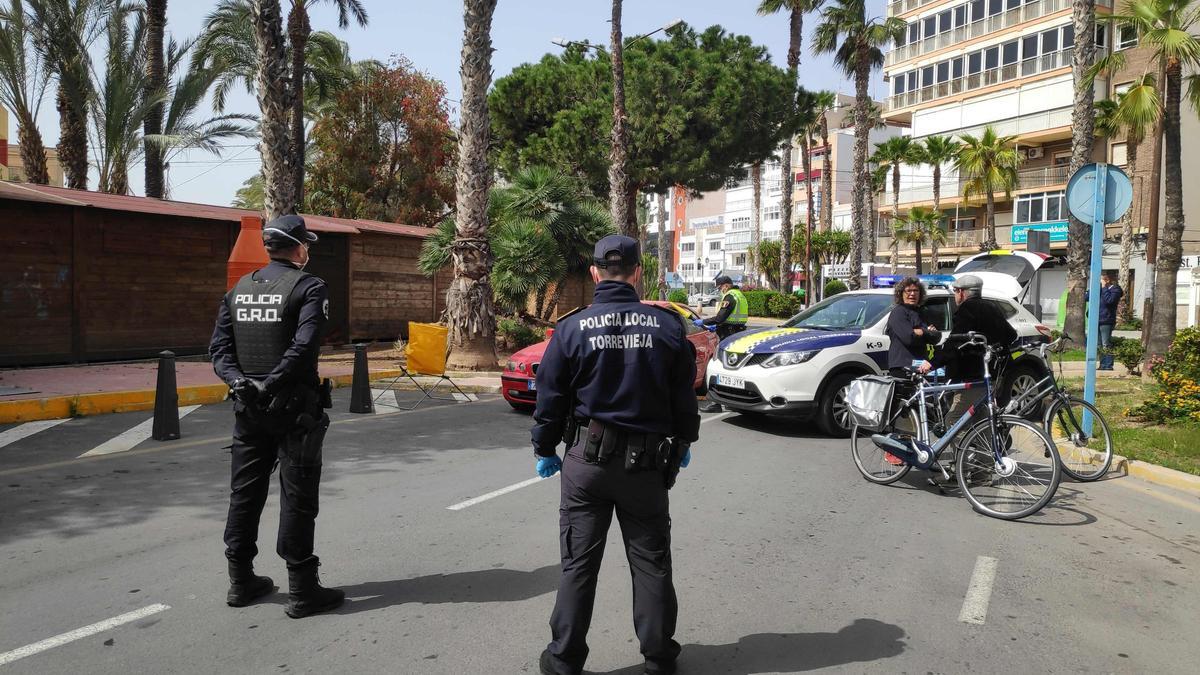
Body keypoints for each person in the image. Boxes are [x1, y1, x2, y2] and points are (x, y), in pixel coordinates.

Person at [531, 234, 701, 675]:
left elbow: (550, 395)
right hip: (645, 468)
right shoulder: (666, 327)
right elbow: (684, 396)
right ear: (638, 271)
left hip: (587, 463)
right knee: (651, 564)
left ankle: (565, 658)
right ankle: (659, 657)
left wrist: (544, 447)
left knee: (578, 566)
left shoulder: (571, 328)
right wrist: (684, 441)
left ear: (594, 273)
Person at [209, 214, 344, 619]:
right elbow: (304, 347)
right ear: (298, 247)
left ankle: (241, 581)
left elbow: (219, 350)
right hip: (293, 412)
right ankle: (303, 589)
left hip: (248, 409)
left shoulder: (240, 289)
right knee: (298, 497)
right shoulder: (309, 286)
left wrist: (241, 383)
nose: (308, 251)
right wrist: (270, 383)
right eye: (308, 244)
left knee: (244, 494)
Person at [917, 274, 1016, 381]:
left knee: (960, 398)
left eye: (955, 291)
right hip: (996, 373)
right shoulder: (992, 306)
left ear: (961, 292)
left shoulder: (966, 309)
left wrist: (933, 363)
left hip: (971, 375)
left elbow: (954, 343)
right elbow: (1012, 335)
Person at [885, 277, 940, 376]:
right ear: (901, 294)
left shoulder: (921, 312)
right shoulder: (899, 312)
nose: (912, 294)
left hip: (922, 367)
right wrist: (926, 332)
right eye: (908, 291)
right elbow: (909, 338)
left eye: (916, 290)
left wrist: (922, 332)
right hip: (902, 367)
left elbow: (936, 337)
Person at [696, 275, 748, 341]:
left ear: (726, 286)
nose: (720, 290)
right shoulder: (740, 295)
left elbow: (719, 318)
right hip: (739, 331)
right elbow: (730, 316)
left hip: (729, 333)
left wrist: (703, 321)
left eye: (720, 288)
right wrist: (718, 326)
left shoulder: (730, 296)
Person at [1098, 272, 1123, 370]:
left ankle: (1108, 365)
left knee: (1106, 343)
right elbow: (1087, 298)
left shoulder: (1115, 290)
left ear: (1107, 280)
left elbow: (1109, 300)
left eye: (1101, 280)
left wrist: (1104, 288)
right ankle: (1102, 364)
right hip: (1097, 319)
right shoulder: (1101, 289)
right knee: (1099, 344)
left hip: (1106, 320)